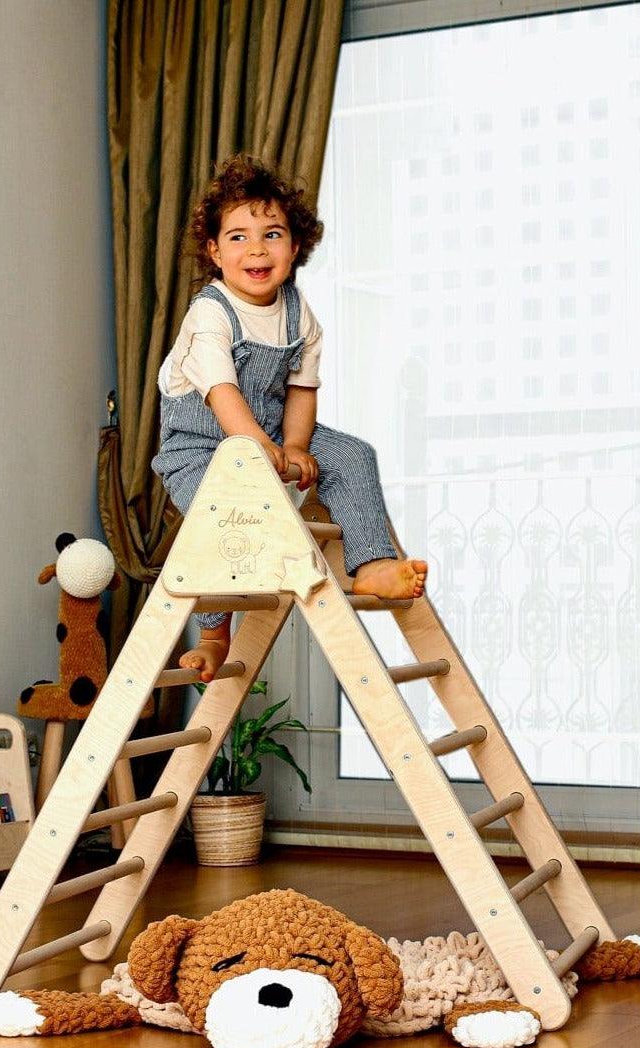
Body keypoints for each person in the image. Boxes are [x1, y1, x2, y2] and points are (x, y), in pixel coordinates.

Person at [151, 154, 427, 680]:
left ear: (295, 247)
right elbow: (223, 394)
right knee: (222, 524)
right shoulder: (210, 312)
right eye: (237, 237)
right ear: (213, 251)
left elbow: (301, 390)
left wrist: (296, 445)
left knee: (352, 454)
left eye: (272, 234)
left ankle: (369, 564)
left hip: (273, 433)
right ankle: (213, 634)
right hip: (202, 448)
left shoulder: (299, 314)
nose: (256, 248)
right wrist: (259, 450)